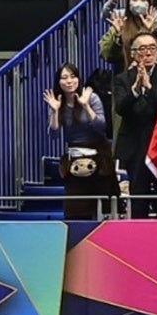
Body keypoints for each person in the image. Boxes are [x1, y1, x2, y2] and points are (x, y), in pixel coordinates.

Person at [112, 31, 157, 218]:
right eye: (142, 49)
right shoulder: (123, 78)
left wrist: (149, 87)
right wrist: (134, 90)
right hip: (134, 143)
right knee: (138, 193)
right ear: (133, 53)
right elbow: (121, 109)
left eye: (152, 48)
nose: (148, 53)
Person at [44, 62, 116, 220]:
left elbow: (101, 127)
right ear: (58, 82)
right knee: (75, 209)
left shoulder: (92, 97)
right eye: (64, 78)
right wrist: (55, 111)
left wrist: (85, 106)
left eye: (73, 76)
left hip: (99, 155)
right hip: (75, 157)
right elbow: (54, 134)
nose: (69, 81)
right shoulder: (56, 101)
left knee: (104, 208)